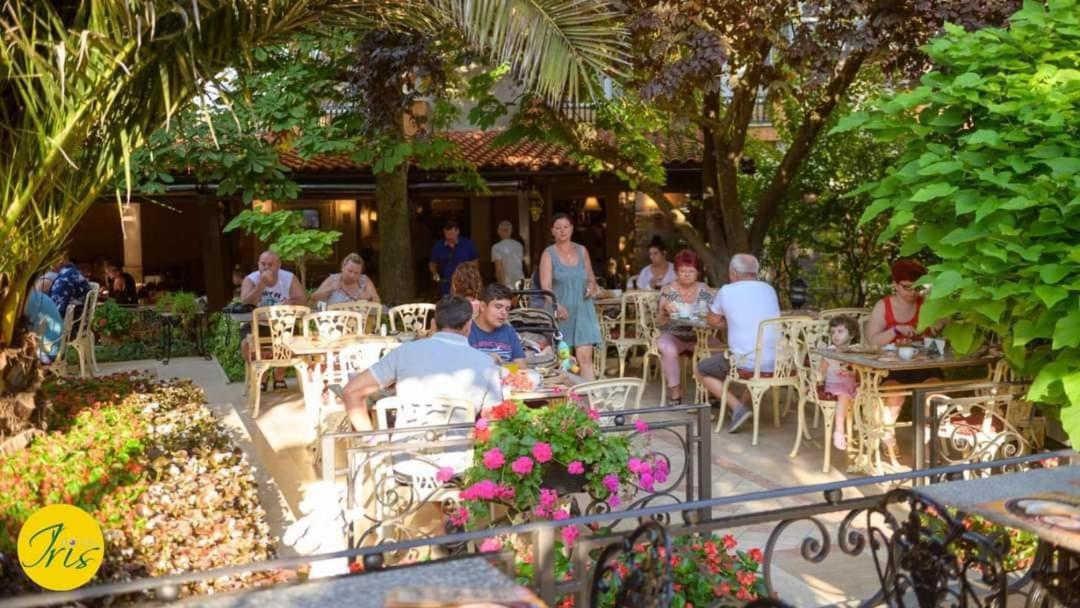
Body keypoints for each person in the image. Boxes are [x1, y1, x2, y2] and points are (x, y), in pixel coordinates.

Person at [341, 296, 503, 431]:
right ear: (468, 326)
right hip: (461, 456)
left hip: (405, 455)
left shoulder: (405, 352)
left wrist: (370, 439)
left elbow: (351, 391)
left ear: (432, 324)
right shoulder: (486, 363)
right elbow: (492, 421)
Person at [865, 258, 943, 458]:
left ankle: (927, 443)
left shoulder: (926, 304)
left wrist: (936, 317)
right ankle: (888, 437)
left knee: (933, 392)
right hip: (892, 367)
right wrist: (895, 330)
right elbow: (872, 341)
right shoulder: (884, 306)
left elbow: (940, 335)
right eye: (907, 287)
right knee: (895, 393)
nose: (912, 293)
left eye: (917, 288)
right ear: (895, 285)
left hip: (923, 365)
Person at [696, 254, 781, 433]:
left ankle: (737, 408)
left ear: (733, 273)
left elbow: (712, 320)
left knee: (701, 369)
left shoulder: (727, 291)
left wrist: (729, 322)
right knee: (756, 358)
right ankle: (741, 406)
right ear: (755, 272)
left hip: (746, 361)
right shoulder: (769, 289)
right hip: (778, 362)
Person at [539, 213, 601, 380]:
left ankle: (589, 395)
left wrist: (591, 286)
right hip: (561, 312)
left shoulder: (582, 251)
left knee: (585, 358)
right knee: (564, 360)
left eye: (566, 227)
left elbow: (591, 278)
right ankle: (567, 395)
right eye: (558, 228)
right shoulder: (548, 254)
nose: (562, 231)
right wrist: (557, 306)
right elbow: (546, 287)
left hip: (583, 309)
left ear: (572, 229)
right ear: (552, 231)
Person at [239, 251, 306, 388]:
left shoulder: (289, 278)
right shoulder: (250, 279)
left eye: (270, 265)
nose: (266, 268)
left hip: (282, 323)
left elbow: (302, 300)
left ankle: (279, 374)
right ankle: (262, 374)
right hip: (256, 324)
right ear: (258, 264)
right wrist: (261, 284)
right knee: (246, 344)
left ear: (279, 266)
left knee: (296, 340)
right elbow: (245, 303)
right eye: (263, 264)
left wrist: (291, 301)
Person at [655, 250, 714, 405]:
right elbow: (660, 318)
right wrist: (665, 308)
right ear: (676, 272)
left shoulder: (703, 289)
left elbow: (714, 310)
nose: (686, 274)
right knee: (667, 349)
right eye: (682, 271)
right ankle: (676, 392)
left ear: (697, 272)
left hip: (700, 337)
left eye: (691, 271)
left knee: (720, 351)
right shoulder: (670, 289)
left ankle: (711, 391)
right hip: (674, 335)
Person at [820, 315, 859, 450]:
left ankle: (869, 429)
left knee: (869, 392)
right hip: (835, 385)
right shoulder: (830, 351)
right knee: (843, 396)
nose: (835, 335)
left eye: (840, 331)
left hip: (851, 385)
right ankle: (839, 431)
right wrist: (815, 381)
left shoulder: (855, 351)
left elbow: (857, 371)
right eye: (833, 332)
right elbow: (821, 370)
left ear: (851, 335)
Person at [469, 283, 526, 366]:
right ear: (483, 306)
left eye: (507, 309)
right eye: (498, 307)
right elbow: (459, 364)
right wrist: (484, 359)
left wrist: (503, 365)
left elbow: (521, 365)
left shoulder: (509, 331)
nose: (504, 313)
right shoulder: (467, 330)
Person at [309, 253, 380, 306]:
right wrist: (330, 288)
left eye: (357, 273)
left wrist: (369, 298)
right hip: (336, 319)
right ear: (343, 268)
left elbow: (377, 301)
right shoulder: (333, 279)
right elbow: (313, 299)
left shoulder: (364, 280)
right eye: (350, 271)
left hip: (362, 319)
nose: (352, 276)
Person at [429, 219, 478, 297]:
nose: (450, 237)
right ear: (444, 232)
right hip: (445, 283)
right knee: (447, 302)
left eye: (452, 234)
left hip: (464, 282)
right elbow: (432, 263)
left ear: (457, 231)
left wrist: (472, 277)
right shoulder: (438, 246)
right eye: (447, 234)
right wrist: (435, 273)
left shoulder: (468, 244)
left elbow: (475, 262)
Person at [48, 253, 92, 319]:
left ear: (60, 260)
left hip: (68, 319)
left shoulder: (65, 277)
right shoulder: (74, 271)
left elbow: (57, 309)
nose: (50, 267)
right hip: (80, 315)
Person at [491, 220, 526, 288]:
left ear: (498, 231)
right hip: (520, 281)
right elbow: (521, 264)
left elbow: (498, 269)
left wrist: (501, 286)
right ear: (511, 231)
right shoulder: (519, 245)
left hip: (506, 283)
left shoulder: (496, 247)